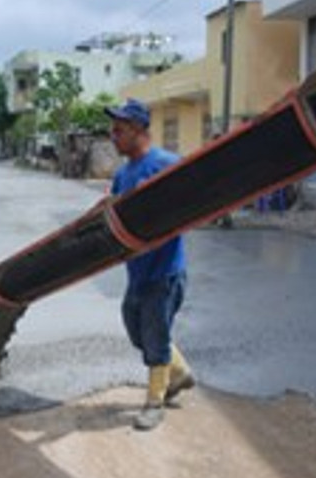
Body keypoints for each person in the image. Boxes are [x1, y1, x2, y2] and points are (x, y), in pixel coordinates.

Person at [105, 98, 195, 431]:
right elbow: (114, 213)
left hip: (165, 270)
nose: (113, 136)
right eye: (112, 130)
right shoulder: (123, 174)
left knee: (156, 336)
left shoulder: (167, 164)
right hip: (137, 273)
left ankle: (154, 402)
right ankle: (181, 372)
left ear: (140, 129)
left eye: (120, 130)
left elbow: (194, 204)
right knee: (136, 329)